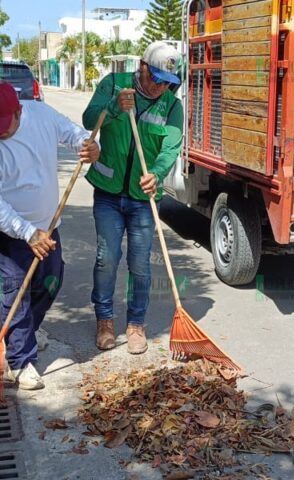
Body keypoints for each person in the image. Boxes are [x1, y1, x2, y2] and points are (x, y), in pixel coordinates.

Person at [0, 81, 99, 390]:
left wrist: (90, 146)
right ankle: (20, 361)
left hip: (48, 225)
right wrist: (27, 232)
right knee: (15, 292)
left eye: (2, 124)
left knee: (51, 281)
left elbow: (73, 133)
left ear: (19, 111)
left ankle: (23, 335)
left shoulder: (40, 115)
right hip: (6, 233)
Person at [82, 41, 184, 355]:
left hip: (142, 198)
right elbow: (88, 121)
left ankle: (136, 324)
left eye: (168, 81)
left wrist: (156, 172)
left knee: (141, 264)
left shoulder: (171, 106)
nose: (160, 86)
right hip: (108, 193)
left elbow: (170, 149)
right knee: (107, 258)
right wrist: (113, 108)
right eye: (155, 77)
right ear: (141, 66)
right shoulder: (114, 84)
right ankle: (105, 321)